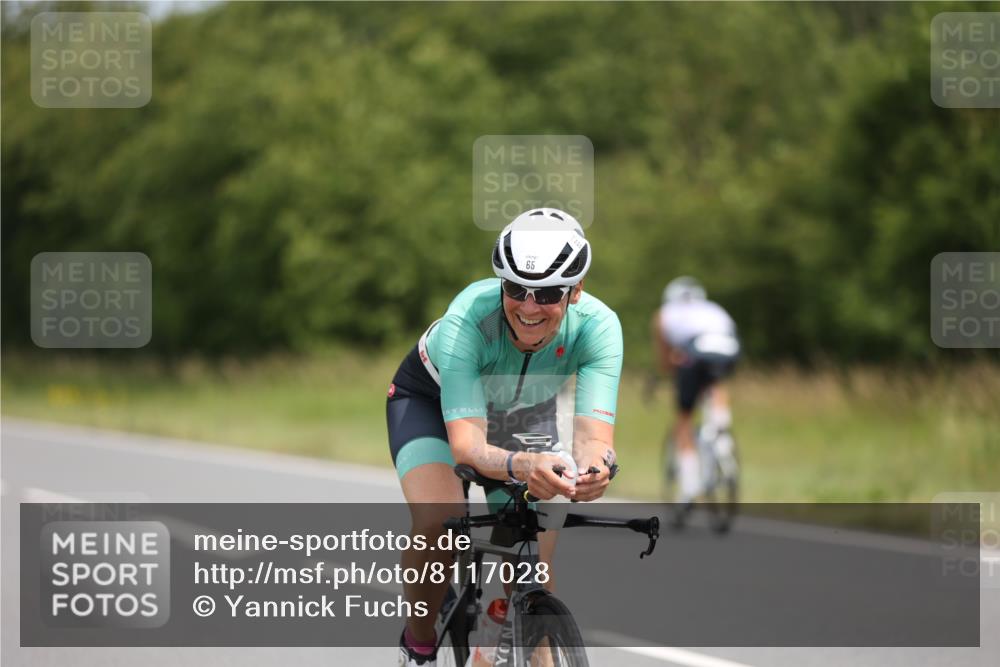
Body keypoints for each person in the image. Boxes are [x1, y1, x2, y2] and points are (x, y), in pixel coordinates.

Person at [387, 208, 623, 666]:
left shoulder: (599, 327)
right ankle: (417, 643)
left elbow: (595, 436)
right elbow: (469, 447)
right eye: (516, 289)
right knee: (442, 520)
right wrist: (524, 465)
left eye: (549, 293)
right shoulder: (468, 320)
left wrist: (598, 469)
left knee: (531, 558)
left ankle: (495, 644)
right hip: (432, 405)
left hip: (521, 414)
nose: (529, 307)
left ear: (576, 291)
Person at [652, 276, 739, 508]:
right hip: (728, 348)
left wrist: (672, 375)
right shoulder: (713, 308)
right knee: (715, 384)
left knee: (684, 418)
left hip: (696, 349)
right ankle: (720, 432)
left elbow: (665, 359)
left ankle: (689, 486)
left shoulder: (664, 313)